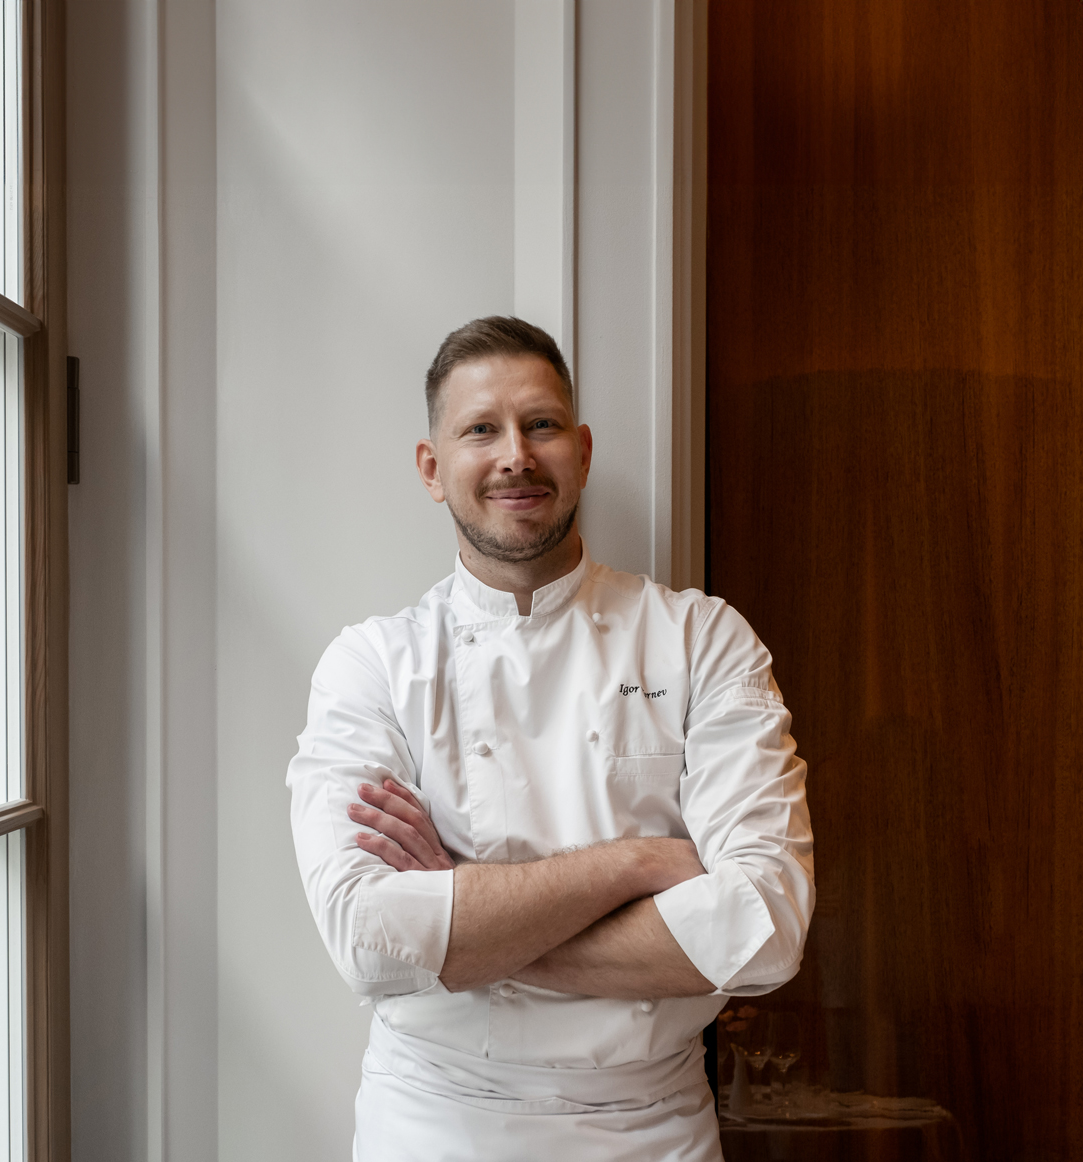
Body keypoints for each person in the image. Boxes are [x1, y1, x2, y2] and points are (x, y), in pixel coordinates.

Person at [287, 316, 814, 1161]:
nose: (516, 457)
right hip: (437, 1123)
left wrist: (459, 916)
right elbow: (370, 942)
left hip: (652, 1127)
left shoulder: (702, 640)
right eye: (480, 430)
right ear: (432, 468)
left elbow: (765, 928)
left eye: (541, 425)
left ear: (584, 450)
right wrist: (638, 864)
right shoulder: (372, 665)